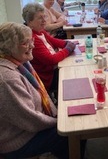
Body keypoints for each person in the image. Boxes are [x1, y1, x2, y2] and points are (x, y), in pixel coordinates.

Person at [0, 22, 69, 159]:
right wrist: (59, 122)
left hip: (30, 127)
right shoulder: (7, 78)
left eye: (31, 40)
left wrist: (56, 114)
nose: (32, 45)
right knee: (73, 132)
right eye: (25, 43)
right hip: (18, 141)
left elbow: (40, 92)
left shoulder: (20, 62)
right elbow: (30, 119)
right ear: (9, 47)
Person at [22, 2, 76, 92]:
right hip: (48, 77)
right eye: (40, 18)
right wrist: (68, 48)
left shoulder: (40, 31)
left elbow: (54, 41)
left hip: (53, 68)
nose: (44, 20)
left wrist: (67, 43)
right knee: (73, 75)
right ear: (29, 22)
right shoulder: (32, 38)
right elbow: (51, 60)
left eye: (44, 16)